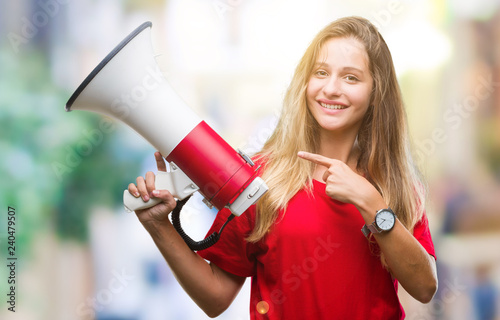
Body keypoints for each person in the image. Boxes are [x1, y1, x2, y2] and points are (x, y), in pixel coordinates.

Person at [127, 16, 438, 319]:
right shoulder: (260, 180)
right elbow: (215, 298)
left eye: (351, 77)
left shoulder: (394, 186)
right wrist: (159, 226)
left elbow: (425, 288)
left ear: (376, 92)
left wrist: (372, 204)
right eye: (320, 72)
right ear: (304, 82)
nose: (331, 88)